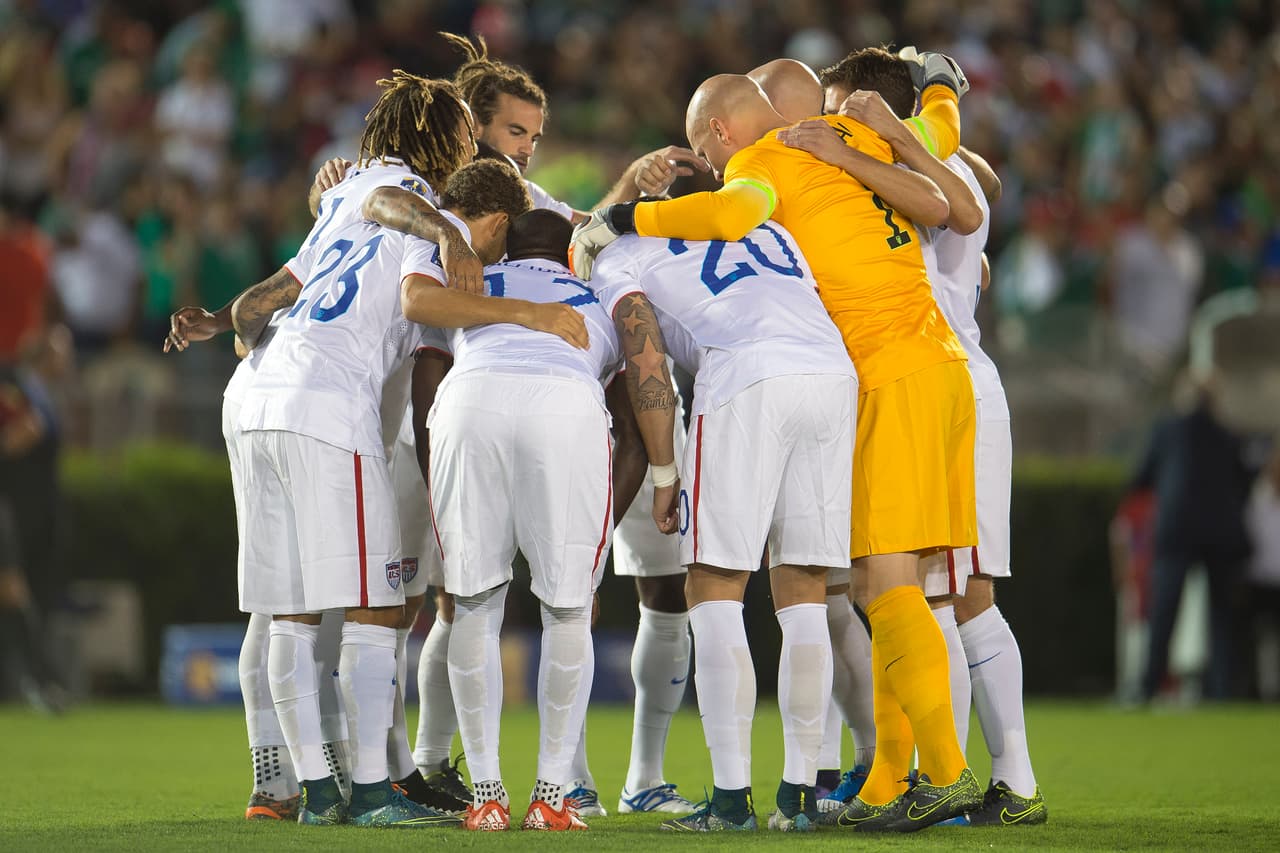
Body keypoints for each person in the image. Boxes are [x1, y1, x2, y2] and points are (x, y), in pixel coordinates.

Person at [570, 58, 983, 833]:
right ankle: (819, 788)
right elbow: (952, 165)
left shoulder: (748, 185)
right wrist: (935, 84)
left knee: (718, 586)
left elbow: (642, 337)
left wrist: (617, 215)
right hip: (855, 367)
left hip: (786, 373)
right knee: (820, 591)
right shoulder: (806, 189)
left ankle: (736, 800)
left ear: (716, 140)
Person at [164, 71, 491, 821]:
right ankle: (372, 791)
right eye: (464, 134)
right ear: (433, 136)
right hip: (326, 398)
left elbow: (267, 295)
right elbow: (391, 204)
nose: (468, 147)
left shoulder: (341, 199)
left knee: (291, 610)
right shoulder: (399, 194)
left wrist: (221, 320)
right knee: (378, 601)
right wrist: (443, 228)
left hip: (258, 392)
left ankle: (311, 789)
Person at [811, 47, 1046, 825]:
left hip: (943, 382)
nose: (831, 119)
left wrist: (906, 126)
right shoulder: (914, 156)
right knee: (914, 594)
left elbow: (972, 201)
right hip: (927, 381)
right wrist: (937, 89)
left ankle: (1008, 780)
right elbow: (962, 148)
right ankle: (915, 773)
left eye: (839, 103)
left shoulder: (908, 163)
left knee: (964, 596)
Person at [592, 216, 858, 832]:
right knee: (806, 589)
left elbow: (646, 360)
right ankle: (799, 798)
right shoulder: (770, 231)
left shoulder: (623, 253)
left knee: (713, 585)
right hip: (831, 373)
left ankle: (732, 801)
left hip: (743, 374)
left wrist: (665, 473)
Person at [416, 210, 678, 831]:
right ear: (568, 254)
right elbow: (634, 422)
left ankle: (485, 796)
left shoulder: (471, 284)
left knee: (473, 604)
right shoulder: (594, 292)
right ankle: (551, 798)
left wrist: (438, 477)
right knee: (566, 609)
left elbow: (427, 372)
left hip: (468, 403)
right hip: (563, 405)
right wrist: (602, 519)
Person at [1128, 374, 1253, 702]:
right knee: (1221, 616)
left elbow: (1141, 477)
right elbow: (1244, 483)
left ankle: (1148, 687)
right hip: (1221, 532)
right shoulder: (1229, 436)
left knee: (1164, 610)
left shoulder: (1167, 430)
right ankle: (1221, 690)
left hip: (1177, 528)